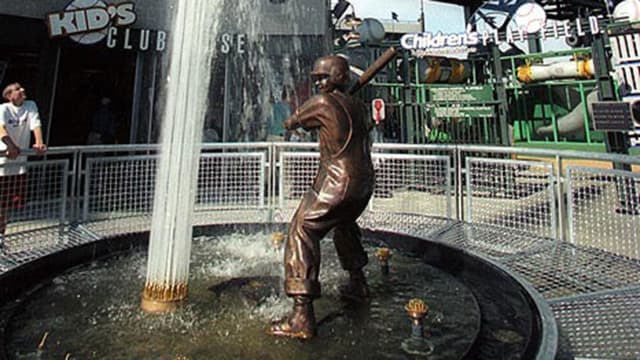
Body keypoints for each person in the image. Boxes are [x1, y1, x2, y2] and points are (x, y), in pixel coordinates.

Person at [267, 55, 375, 339]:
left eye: (323, 78)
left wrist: (296, 118)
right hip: (363, 184)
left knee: (302, 230)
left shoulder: (322, 103)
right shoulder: (360, 108)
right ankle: (357, 282)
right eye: (317, 79)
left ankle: (302, 315)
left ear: (339, 76)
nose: (319, 83)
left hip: (337, 182)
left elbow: (292, 122)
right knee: (344, 223)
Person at [0, 83, 47, 250]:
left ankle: (1, 238)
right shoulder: (4, 108)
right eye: (18, 89)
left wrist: (39, 142)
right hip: (3, 163)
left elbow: (36, 124)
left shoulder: (30, 105)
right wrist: (10, 145)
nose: (22, 90)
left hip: (19, 164)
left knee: (6, 206)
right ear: (9, 95)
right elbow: (1, 128)